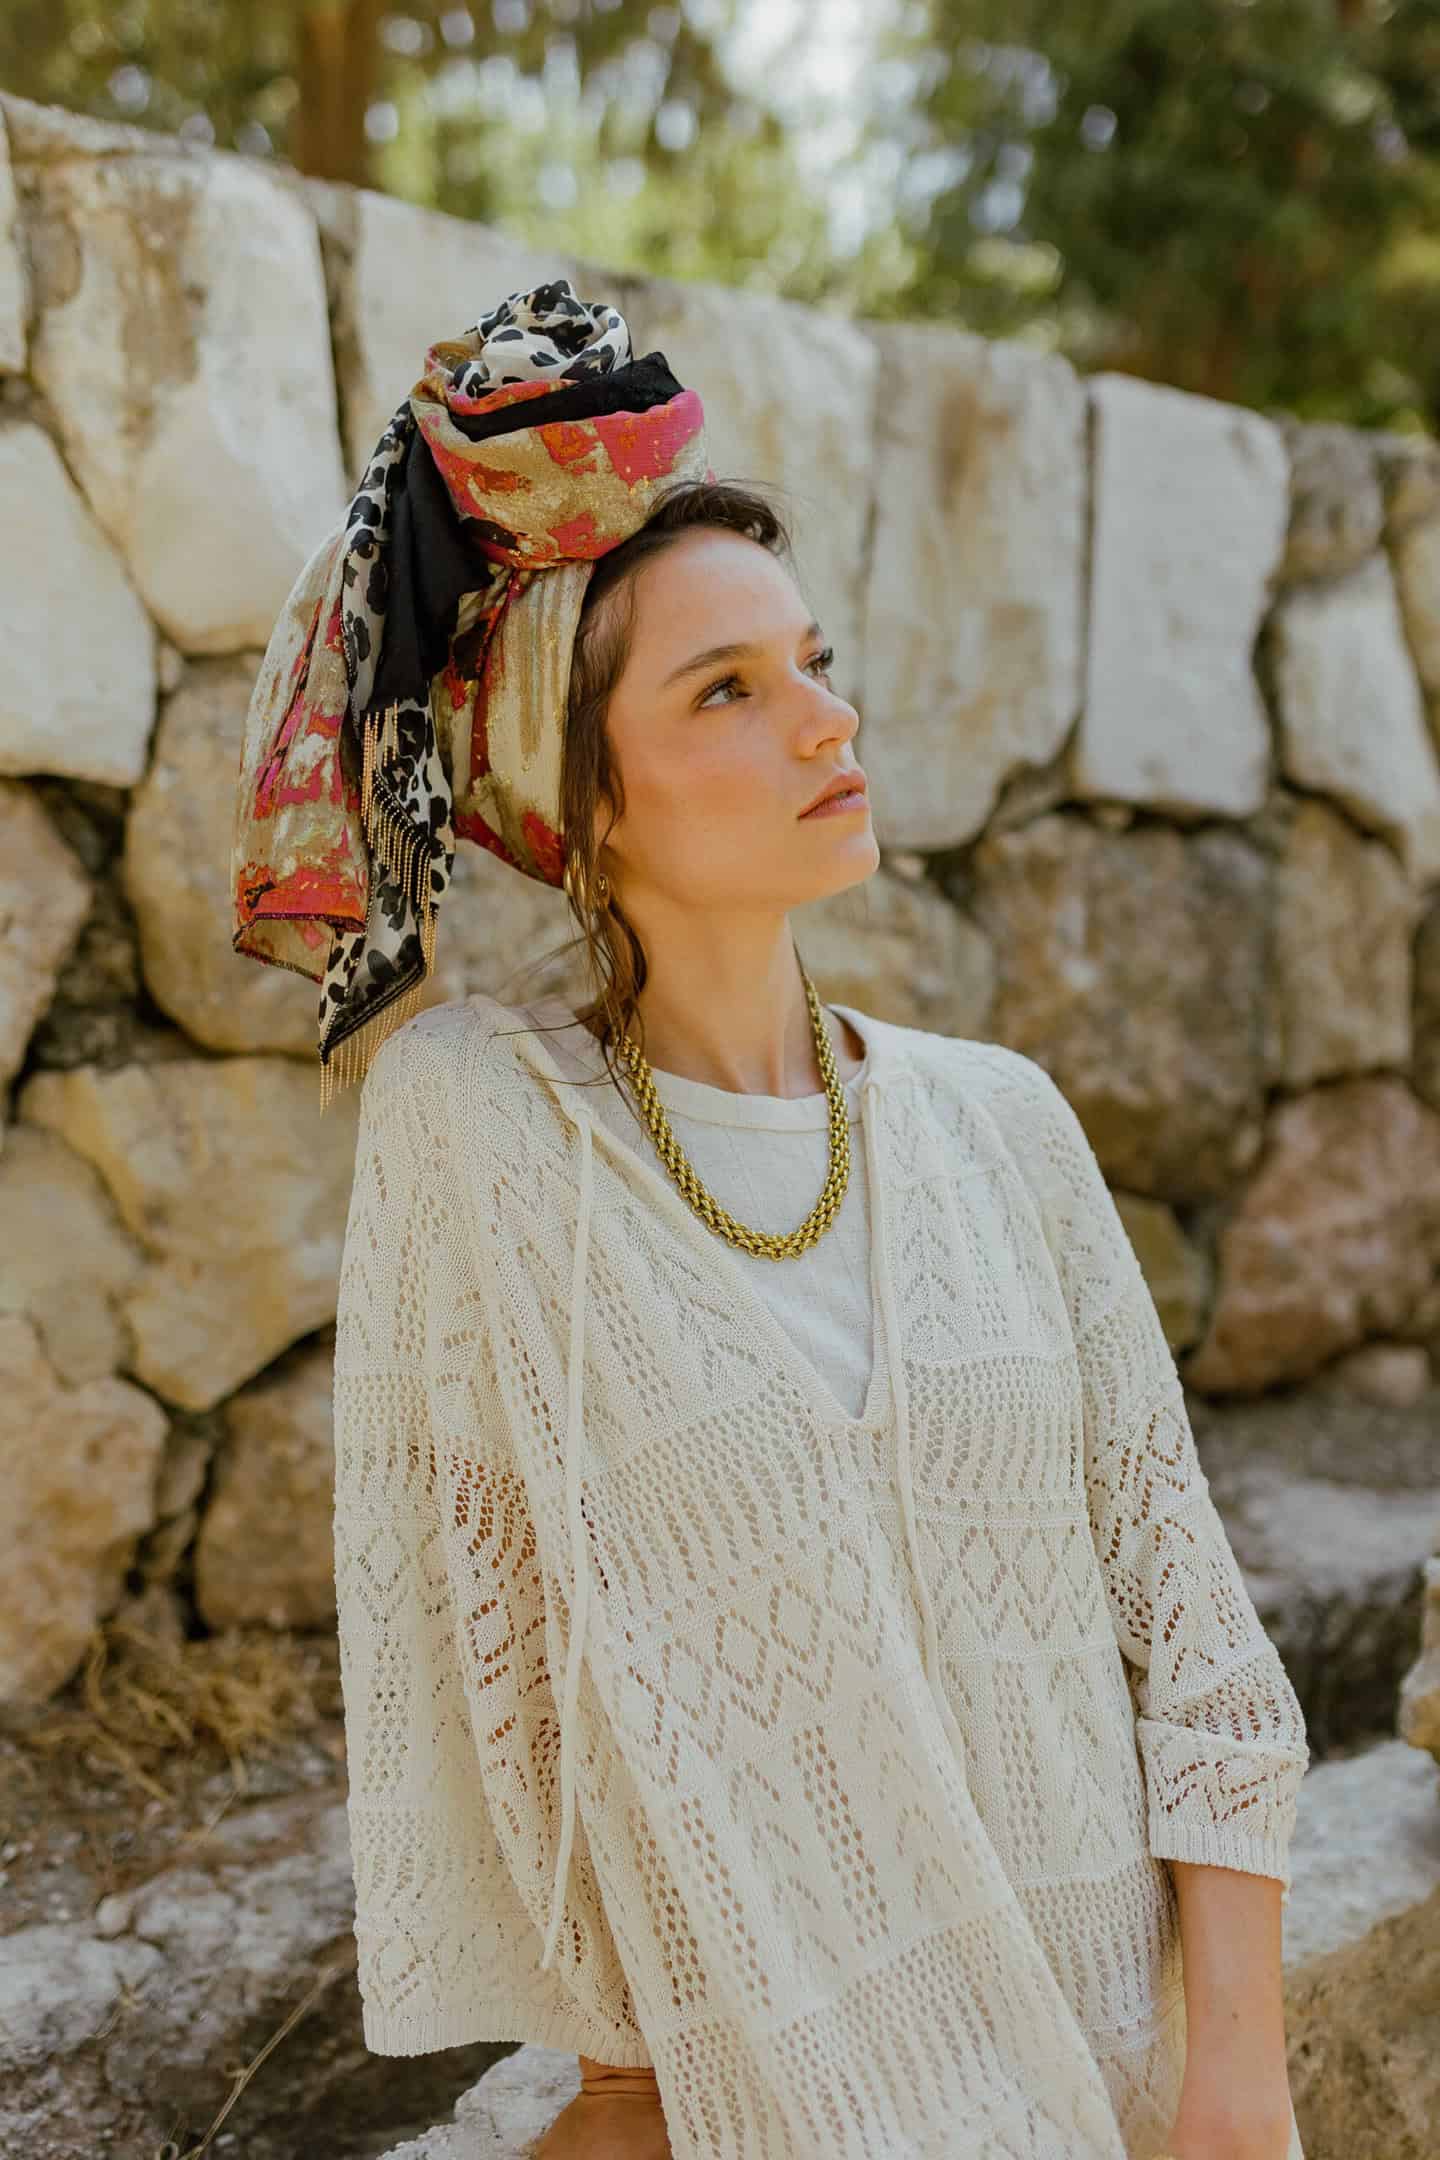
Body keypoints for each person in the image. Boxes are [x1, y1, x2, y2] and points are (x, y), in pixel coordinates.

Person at [232, 284, 1310, 2160]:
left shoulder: (1001, 1122)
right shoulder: (494, 1141)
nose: (828, 719)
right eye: (727, 691)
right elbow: (515, 1714)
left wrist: (1241, 2081)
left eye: (811, 661)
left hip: (1138, 2093)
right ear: (584, 803)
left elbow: (1200, 1647)